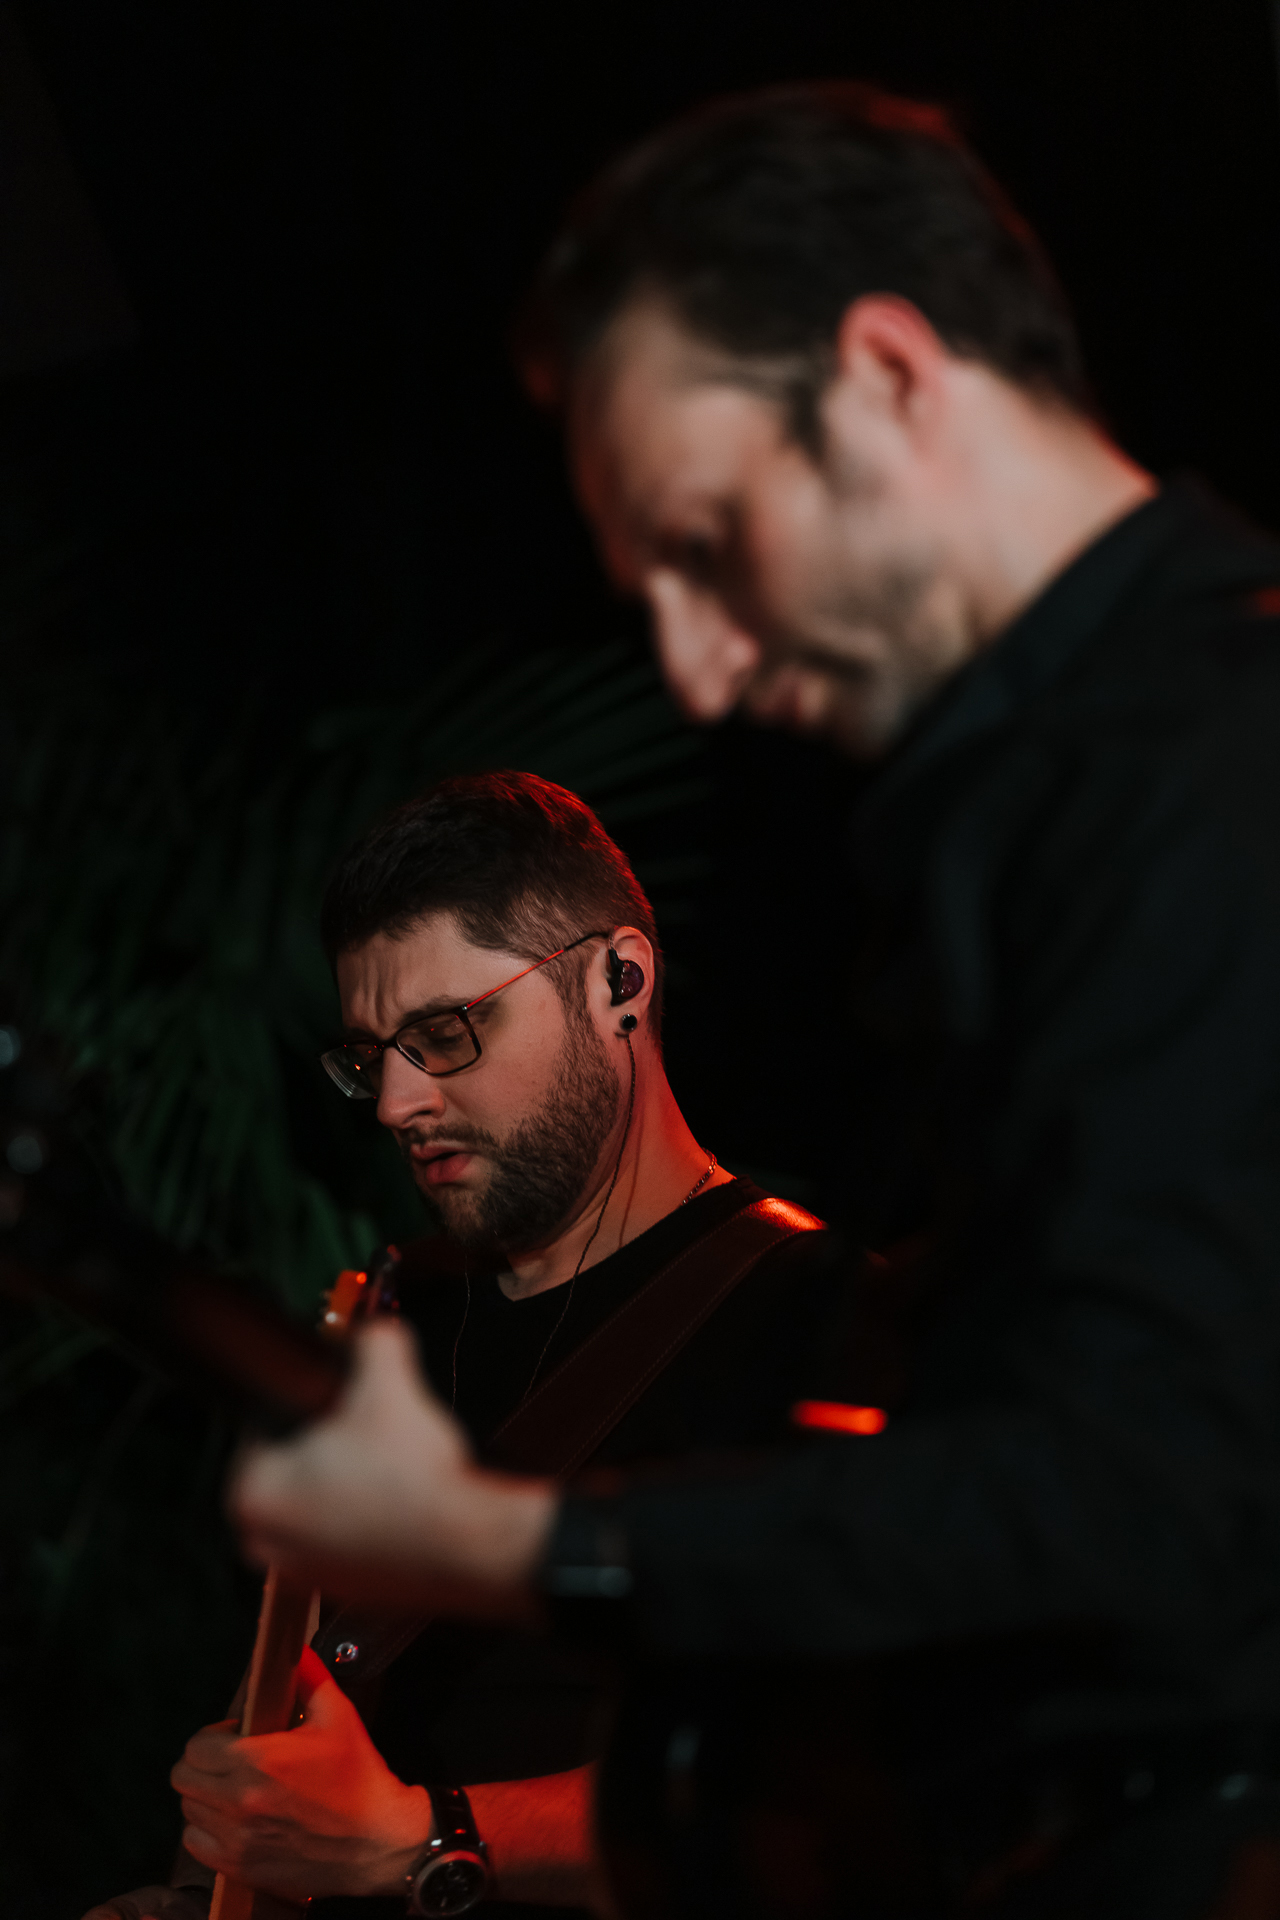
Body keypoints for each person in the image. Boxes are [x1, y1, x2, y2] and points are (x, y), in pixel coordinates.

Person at [231, 85, 1280, 1917]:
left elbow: (1140, 1498)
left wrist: (516, 1550)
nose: (702, 671)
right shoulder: (1072, 805)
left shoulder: (1210, 771)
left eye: (709, 541)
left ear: (887, 378)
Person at [82, 771, 839, 1920]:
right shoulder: (394, 1306)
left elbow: (842, 1803)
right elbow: (303, 1713)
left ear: (619, 981)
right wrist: (206, 1891)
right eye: (369, 1055)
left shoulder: (823, 1319)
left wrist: (425, 1836)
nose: (394, 1103)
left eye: (443, 1034)